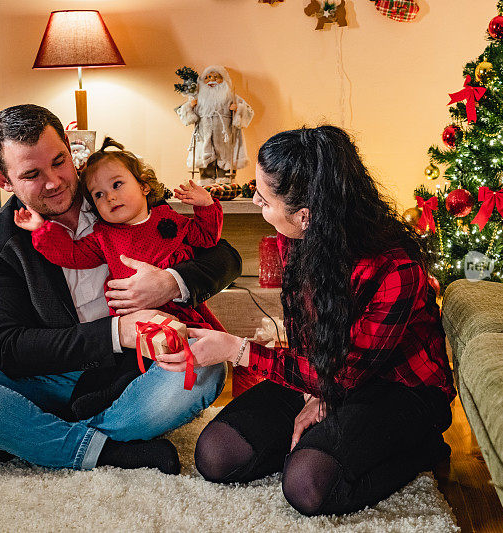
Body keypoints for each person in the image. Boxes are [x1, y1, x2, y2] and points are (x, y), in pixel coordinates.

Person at [0, 104, 241, 473]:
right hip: (54, 379)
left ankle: (32, 438)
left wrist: (170, 283)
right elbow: (10, 349)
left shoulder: (112, 188)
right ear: (2, 180)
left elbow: (223, 256)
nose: (54, 181)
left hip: (136, 375)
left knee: (206, 364)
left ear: (70, 148)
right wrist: (120, 332)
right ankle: (107, 450)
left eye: (59, 161)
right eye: (32, 174)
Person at [155, 126, 456, 515]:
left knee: (306, 485)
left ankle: (423, 445)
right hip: (328, 372)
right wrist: (314, 392)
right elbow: (304, 334)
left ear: (305, 215)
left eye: (263, 199)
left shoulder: (397, 268)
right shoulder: (294, 238)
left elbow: (347, 374)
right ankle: (327, 444)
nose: (254, 200)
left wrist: (236, 349)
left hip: (401, 387)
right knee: (217, 454)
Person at [14, 136, 225, 419]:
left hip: (181, 320)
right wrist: (41, 229)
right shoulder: (104, 236)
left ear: (144, 185)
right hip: (133, 330)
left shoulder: (170, 219)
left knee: (192, 364)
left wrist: (206, 205)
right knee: (117, 372)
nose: (110, 196)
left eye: (117, 185)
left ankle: (114, 420)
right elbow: (72, 255)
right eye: (98, 195)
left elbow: (207, 237)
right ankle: (86, 409)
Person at [176, 65, 254, 182]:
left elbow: (248, 111)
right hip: (203, 134)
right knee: (205, 156)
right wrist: (190, 107)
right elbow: (184, 114)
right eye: (207, 77)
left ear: (223, 79)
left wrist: (238, 109)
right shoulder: (198, 98)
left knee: (225, 156)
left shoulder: (230, 96)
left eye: (216, 77)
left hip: (225, 136)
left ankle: (225, 181)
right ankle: (206, 181)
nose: (211, 80)